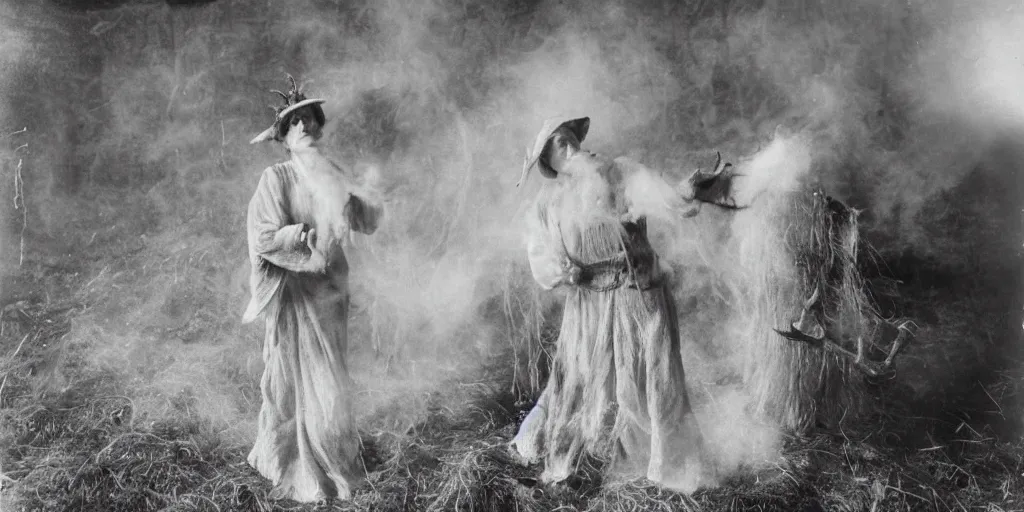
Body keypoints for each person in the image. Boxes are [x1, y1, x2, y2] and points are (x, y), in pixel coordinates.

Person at [509, 116, 741, 492]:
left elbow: (665, 196)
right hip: (589, 302)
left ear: (577, 141)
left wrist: (690, 190)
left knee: (653, 376)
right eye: (554, 146)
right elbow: (540, 254)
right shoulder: (549, 201)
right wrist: (562, 271)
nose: (564, 146)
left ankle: (667, 466)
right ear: (548, 164)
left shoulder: (620, 172)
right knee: (578, 379)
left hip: (637, 290)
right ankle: (585, 456)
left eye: (566, 139)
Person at [242, 76, 382, 502]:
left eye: (307, 119)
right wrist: (299, 235)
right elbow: (263, 235)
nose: (302, 126)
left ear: (318, 127)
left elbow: (364, 222)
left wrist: (370, 199)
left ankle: (334, 452)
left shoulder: (333, 172)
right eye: (293, 123)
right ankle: (305, 463)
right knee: (302, 379)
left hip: (330, 292)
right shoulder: (276, 178)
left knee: (333, 375)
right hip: (296, 295)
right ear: (284, 137)